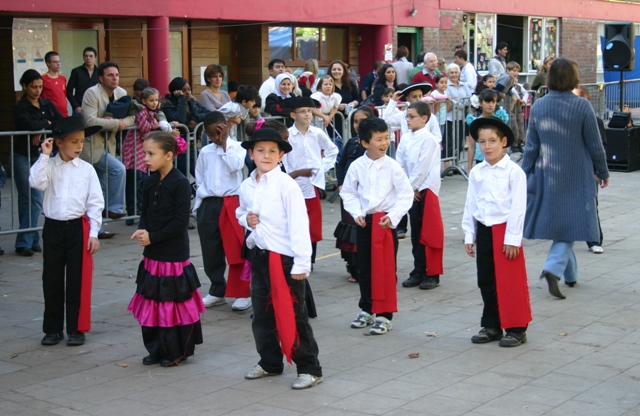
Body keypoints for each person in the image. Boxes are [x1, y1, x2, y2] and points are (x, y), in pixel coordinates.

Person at [237, 128, 323, 390]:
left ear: (281, 156)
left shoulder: (287, 185)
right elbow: (241, 211)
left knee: (294, 314)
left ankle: (309, 368)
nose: (266, 155)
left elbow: (299, 224)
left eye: (272, 151)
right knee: (262, 314)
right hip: (259, 255)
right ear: (251, 154)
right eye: (260, 150)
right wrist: (246, 219)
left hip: (284, 259)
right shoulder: (246, 184)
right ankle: (269, 361)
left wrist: (301, 263)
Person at [522, 58, 609, 299]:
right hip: (578, 174)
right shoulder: (582, 106)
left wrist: (523, 173)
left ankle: (571, 276)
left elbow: (531, 146)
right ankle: (552, 268)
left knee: (567, 222)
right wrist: (603, 171)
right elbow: (595, 144)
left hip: (547, 173)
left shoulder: (539, 106)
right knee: (575, 221)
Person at [128, 132, 205, 367]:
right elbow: (146, 212)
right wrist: (143, 230)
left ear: (169, 155)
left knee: (172, 305)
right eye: (145, 153)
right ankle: (155, 348)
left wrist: (154, 237)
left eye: (151, 154)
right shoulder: (150, 181)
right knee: (152, 301)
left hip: (172, 253)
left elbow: (180, 221)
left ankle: (175, 350)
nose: (146, 159)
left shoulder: (180, 183)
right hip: (152, 254)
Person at [29, 116, 104, 347]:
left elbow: (95, 203)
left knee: (76, 279)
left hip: (76, 229)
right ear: (59, 142)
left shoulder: (87, 170)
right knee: (51, 278)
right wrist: (44, 155)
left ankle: (75, 328)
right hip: (53, 227)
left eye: (81, 142)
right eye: (73, 142)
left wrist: (93, 232)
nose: (79, 146)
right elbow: (36, 183)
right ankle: (52, 329)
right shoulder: (48, 165)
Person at [462, 116, 532, 347]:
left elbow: (518, 207)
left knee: (510, 281)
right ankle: (492, 324)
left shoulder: (514, 172)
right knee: (487, 280)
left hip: (505, 230)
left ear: (503, 142)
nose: (487, 146)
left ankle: (516, 327)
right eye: (482, 142)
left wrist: (513, 239)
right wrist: (469, 234)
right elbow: (471, 204)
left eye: (492, 141)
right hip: (484, 229)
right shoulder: (477, 172)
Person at [340, 117, 413, 335]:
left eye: (386, 138)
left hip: (385, 224)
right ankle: (367, 308)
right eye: (379, 139)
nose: (384, 143)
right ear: (364, 143)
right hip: (364, 223)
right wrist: (357, 213)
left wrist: (393, 216)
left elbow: (406, 195)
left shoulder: (392, 166)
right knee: (364, 268)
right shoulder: (357, 166)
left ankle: (385, 314)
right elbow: (348, 193)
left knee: (385, 270)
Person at [194, 111, 250, 311]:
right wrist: (200, 204)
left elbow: (235, 167)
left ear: (225, 127)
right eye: (211, 135)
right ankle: (217, 290)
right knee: (210, 249)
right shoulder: (206, 151)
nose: (215, 138)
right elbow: (199, 177)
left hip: (231, 202)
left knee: (235, 250)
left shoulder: (238, 148)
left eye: (218, 132)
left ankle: (243, 292)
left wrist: (225, 142)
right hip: (209, 202)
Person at [282, 97, 339, 267]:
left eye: (309, 111)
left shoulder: (317, 133)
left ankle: (310, 258)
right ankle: (294, 254)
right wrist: (290, 173)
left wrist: (321, 168)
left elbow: (332, 150)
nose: (307, 114)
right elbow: (283, 156)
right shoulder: (288, 135)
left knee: (312, 222)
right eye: (303, 111)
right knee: (295, 219)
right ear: (293, 115)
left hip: (313, 182)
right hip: (294, 181)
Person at [12, 69, 63, 256]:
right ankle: (24, 240)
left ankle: (31, 238)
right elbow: (28, 124)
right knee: (26, 197)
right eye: (33, 87)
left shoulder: (47, 103)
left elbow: (59, 122)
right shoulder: (19, 107)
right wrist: (43, 125)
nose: (37, 90)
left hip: (41, 155)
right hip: (22, 155)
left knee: (37, 198)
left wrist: (42, 128)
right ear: (25, 87)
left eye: (40, 86)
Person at [81, 61, 132, 238]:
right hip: (91, 146)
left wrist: (124, 123)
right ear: (101, 78)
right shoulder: (91, 93)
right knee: (118, 169)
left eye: (116, 75)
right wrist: (115, 124)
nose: (114, 78)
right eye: (110, 75)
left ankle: (96, 229)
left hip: (108, 145)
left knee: (97, 190)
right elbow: (90, 121)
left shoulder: (122, 93)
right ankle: (114, 208)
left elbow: (132, 115)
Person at [397, 102, 444, 291]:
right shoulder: (406, 138)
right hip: (412, 189)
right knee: (416, 232)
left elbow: (422, 167)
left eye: (411, 116)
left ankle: (432, 273)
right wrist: (406, 187)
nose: (407, 120)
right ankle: (418, 269)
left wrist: (412, 187)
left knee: (429, 232)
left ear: (424, 118)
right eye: (407, 116)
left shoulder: (429, 139)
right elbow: (399, 162)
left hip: (426, 189)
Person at [335, 106, 376, 283]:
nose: (358, 125)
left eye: (363, 122)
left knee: (361, 230)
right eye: (356, 122)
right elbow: (341, 164)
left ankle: (363, 268)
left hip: (363, 194)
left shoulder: (373, 146)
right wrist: (341, 183)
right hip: (348, 193)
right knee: (348, 228)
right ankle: (352, 267)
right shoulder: (351, 143)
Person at [122, 87, 172, 224]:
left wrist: (153, 125)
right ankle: (133, 212)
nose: (155, 103)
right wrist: (154, 124)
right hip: (134, 152)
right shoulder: (141, 111)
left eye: (156, 100)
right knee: (135, 183)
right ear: (143, 100)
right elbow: (144, 127)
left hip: (142, 154)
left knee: (142, 182)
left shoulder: (151, 112)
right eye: (151, 100)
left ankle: (139, 210)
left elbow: (147, 130)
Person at [574, 86, 606, 254]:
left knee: (590, 204)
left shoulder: (596, 121)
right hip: (570, 170)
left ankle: (594, 240)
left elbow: (599, 148)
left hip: (588, 170)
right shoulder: (569, 120)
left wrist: (600, 171)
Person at [466, 89, 509, 173]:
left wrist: (503, 158)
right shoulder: (475, 122)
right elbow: (471, 146)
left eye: (493, 102)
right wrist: (469, 167)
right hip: (481, 159)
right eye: (487, 102)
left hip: (497, 158)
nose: (490, 105)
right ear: (481, 103)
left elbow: (505, 143)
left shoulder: (500, 120)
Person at [444, 63, 470, 171]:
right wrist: (459, 102)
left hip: (461, 117)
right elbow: (449, 101)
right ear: (448, 74)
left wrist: (457, 101)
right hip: (449, 118)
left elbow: (469, 99)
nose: (454, 75)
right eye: (451, 72)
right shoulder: (446, 85)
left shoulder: (464, 85)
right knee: (448, 142)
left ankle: (458, 163)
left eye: (456, 72)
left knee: (459, 141)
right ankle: (448, 165)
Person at [66, 47, 99, 114]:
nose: (88, 58)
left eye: (91, 56)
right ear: (83, 58)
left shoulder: (100, 72)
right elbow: (69, 91)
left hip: (96, 107)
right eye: (86, 56)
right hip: (80, 107)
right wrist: (75, 106)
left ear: (95, 58)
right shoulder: (76, 71)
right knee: (78, 125)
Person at [41, 51, 69, 117]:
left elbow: (64, 95)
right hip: (51, 115)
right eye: (55, 62)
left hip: (64, 113)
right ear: (48, 63)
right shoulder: (43, 79)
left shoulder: (63, 78)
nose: (58, 64)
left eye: (59, 61)